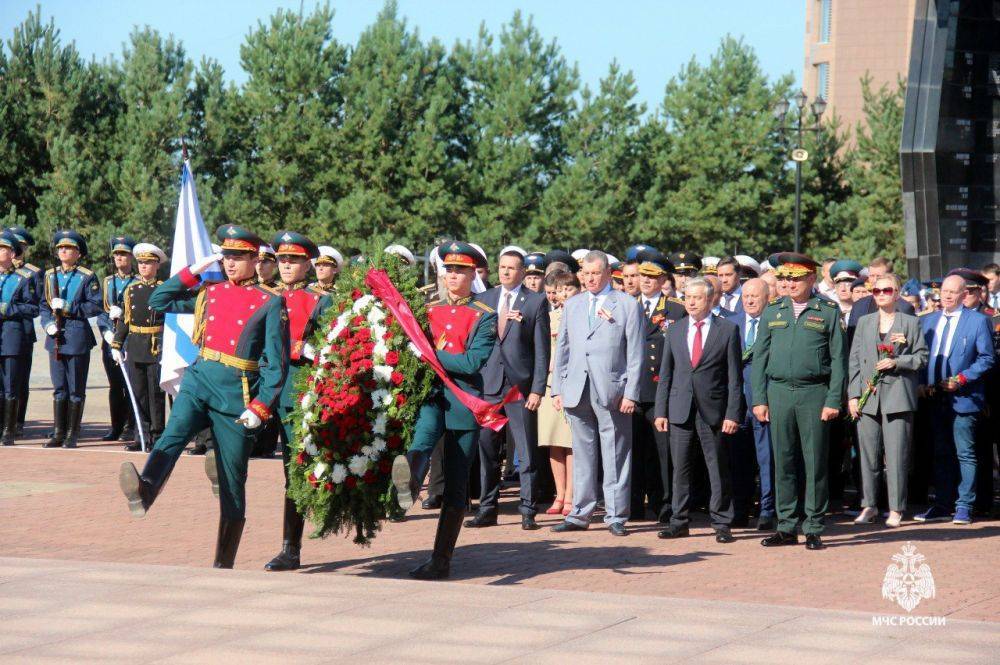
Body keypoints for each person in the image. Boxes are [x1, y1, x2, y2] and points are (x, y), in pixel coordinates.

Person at [118, 224, 289, 568]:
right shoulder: (209, 292)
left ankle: (223, 563)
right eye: (226, 256)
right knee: (173, 434)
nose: (230, 263)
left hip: (236, 394)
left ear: (255, 259)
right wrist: (192, 271)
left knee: (232, 479)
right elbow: (158, 300)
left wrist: (260, 405)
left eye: (238, 257)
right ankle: (146, 489)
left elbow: (276, 363)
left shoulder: (270, 303)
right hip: (200, 379)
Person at [391, 241, 497, 580]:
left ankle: (441, 559)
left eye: (461, 270)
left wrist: (429, 355)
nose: (453, 276)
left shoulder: (484, 315)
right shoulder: (427, 309)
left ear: (472, 274)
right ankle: (403, 492)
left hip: (464, 403)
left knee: (455, 485)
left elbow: (471, 362)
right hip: (431, 396)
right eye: (449, 269)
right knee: (420, 442)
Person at [751, 253, 846, 550]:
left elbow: (838, 360)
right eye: (783, 278)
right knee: (784, 461)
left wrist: (833, 399)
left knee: (815, 461)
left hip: (814, 393)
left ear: (810, 279)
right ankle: (787, 525)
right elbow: (759, 358)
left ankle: (814, 525)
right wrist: (760, 398)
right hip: (779, 393)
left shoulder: (828, 311)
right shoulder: (773, 311)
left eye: (794, 278)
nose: (788, 283)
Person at [550, 250, 643, 536]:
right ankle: (580, 512)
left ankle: (616, 515)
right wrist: (557, 388)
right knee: (582, 452)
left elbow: (635, 351)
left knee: (615, 451)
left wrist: (631, 392)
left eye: (595, 273)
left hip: (611, 389)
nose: (590, 278)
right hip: (577, 388)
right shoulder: (574, 305)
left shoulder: (626, 304)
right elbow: (563, 348)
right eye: (586, 273)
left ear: (606, 273)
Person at [654, 277, 742, 543]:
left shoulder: (726, 330)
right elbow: (665, 374)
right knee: (680, 468)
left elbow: (734, 377)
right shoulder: (676, 330)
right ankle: (678, 521)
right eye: (688, 297)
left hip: (713, 410)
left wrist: (732, 414)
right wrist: (661, 411)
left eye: (697, 297)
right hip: (680, 408)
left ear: (710, 299)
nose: (691, 302)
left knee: (716, 468)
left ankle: (722, 523)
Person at [467, 248, 550, 531]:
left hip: (520, 387)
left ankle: (528, 509)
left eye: (512, 268)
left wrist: (538, 389)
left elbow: (542, 350)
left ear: (522, 272)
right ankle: (488, 508)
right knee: (487, 450)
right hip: (489, 386)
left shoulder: (535, 302)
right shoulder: (484, 299)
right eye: (502, 267)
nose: (505, 272)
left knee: (526, 452)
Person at [264, 231, 330, 572]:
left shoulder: (320, 300)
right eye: (283, 259)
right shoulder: (266, 296)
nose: (287, 265)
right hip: (262, 392)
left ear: (308, 264)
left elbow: (333, 348)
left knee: (294, 472)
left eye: (294, 260)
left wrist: (307, 350)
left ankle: (290, 548)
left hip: (296, 392)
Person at [847, 274, 928, 527]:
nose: (881, 294)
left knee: (896, 456)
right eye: (876, 291)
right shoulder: (864, 322)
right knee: (868, 455)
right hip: (868, 397)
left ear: (897, 293)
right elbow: (854, 360)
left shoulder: (910, 323)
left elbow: (922, 357)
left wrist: (898, 361)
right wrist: (852, 394)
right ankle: (869, 505)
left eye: (887, 290)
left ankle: (895, 508)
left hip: (898, 397)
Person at [915, 273, 995, 525]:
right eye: (944, 291)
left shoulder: (978, 321)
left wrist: (961, 378)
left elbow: (987, 358)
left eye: (953, 291)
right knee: (941, 452)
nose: (947, 295)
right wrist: (921, 384)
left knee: (965, 453)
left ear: (964, 295)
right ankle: (941, 504)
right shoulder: (927, 321)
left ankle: (964, 506)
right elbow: (920, 356)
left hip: (964, 396)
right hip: (934, 398)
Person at [632, 249, 684, 522]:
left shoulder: (676, 309)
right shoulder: (628, 305)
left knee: (662, 452)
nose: (646, 281)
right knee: (634, 450)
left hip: (661, 391)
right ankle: (634, 505)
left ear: (663, 278)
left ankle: (664, 504)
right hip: (632, 390)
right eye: (643, 276)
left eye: (652, 277)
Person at [40, 230, 103, 448]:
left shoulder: (87, 276)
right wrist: (47, 323)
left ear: (78, 253)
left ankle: (72, 433)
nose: (63, 251)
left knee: (75, 388)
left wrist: (69, 307)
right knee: (59, 387)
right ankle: (58, 432)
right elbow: (43, 305)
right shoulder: (49, 275)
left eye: (68, 248)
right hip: (55, 339)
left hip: (76, 337)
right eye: (60, 248)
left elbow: (95, 305)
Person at [725, 278, 776, 530]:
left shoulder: (775, 323)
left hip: (764, 401)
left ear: (767, 297)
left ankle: (767, 510)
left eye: (755, 296)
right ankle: (740, 510)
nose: (750, 300)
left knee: (766, 458)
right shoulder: (731, 323)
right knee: (738, 459)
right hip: (737, 404)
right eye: (746, 296)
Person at [109, 243, 167, 452]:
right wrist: (117, 344)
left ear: (156, 265)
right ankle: (140, 434)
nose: (143, 266)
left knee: (155, 394)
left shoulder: (163, 288)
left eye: (148, 263)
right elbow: (125, 320)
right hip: (135, 345)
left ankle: (157, 434)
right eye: (141, 263)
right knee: (138, 392)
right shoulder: (131, 290)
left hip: (155, 345)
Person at [537, 271, 577, 516]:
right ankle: (559, 494)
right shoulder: (548, 317)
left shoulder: (581, 318)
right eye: (558, 290)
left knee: (571, 443)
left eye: (567, 290)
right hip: (550, 385)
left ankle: (572, 496)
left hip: (572, 384)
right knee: (553, 442)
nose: (561, 295)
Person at [97, 236, 138, 445]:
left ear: (131, 257)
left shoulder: (138, 281)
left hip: (131, 340)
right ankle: (116, 426)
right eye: (116, 254)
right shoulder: (107, 282)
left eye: (123, 254)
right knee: (115, 385)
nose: (119, 258)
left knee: (131, 383)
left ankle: (131, 426)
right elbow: (100, 311)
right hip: (111, 340)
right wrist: (105, 330)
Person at [0, 230, 38, 445]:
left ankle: (9, 430)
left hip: (13, 336)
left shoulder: (23, 278)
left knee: (11, 385)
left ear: (12, 253)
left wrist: (9, 308)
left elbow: (32, 307)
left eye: (2, 248)